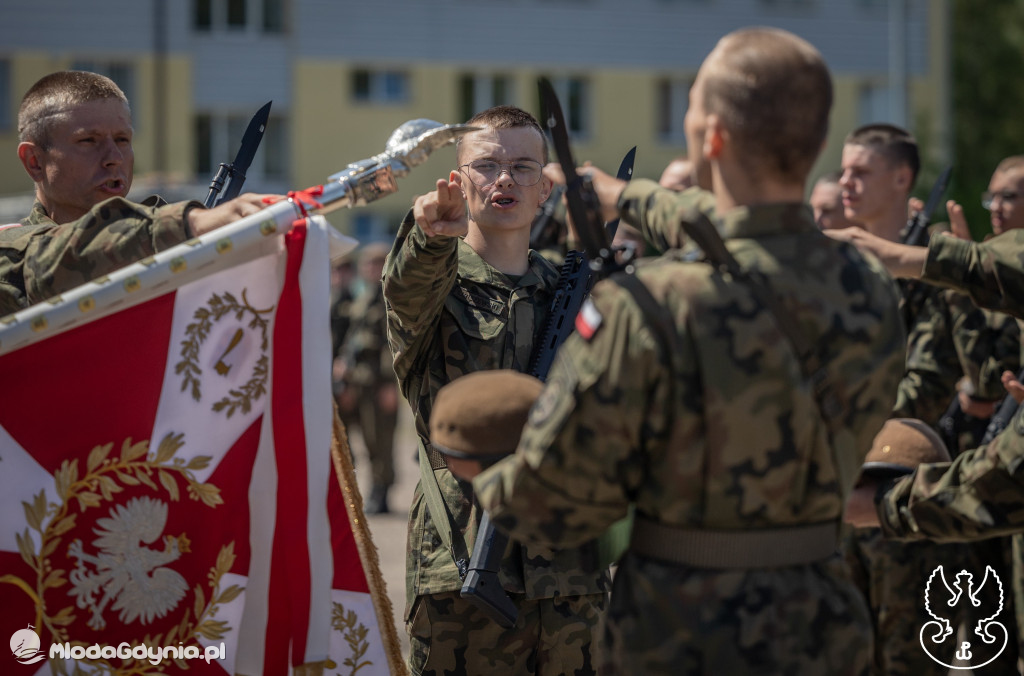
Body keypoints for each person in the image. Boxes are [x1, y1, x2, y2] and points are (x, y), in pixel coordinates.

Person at [454, 28, 906, 673]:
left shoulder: (648, 306)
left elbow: (555, 501)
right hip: (824, 616)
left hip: (680, 632)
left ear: (713, 136)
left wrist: (479, 466)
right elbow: (748, 231)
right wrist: (626, 195)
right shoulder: (869, 286)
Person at [382, 105, 606, 675]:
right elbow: (406, 290)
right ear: (458, 181)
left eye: (524, 167)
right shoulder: (436, 281)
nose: (504, 178)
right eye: (486, 165)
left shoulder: (574, 292)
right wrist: (430, 233)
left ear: (545, 190)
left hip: (568, 577)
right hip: (460, 569)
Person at [0, 70, 277, 316]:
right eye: (88, 141)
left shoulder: (160, 241)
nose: (114, 157)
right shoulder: (11, 253)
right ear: (34, 161)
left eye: (122, 139)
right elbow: (62, 259)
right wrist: (191, 224)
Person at [338, 242, 399, 514]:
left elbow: (392, 346)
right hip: (359, 381)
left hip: (378, 382)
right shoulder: (362, 298)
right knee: (358, 438)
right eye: (367, 264)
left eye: (376, 264)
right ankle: (362, 491)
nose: (370, 269)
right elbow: (351, 339)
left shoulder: (392, 299)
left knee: (380, 442)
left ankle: (381, 493)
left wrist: (390, 384)